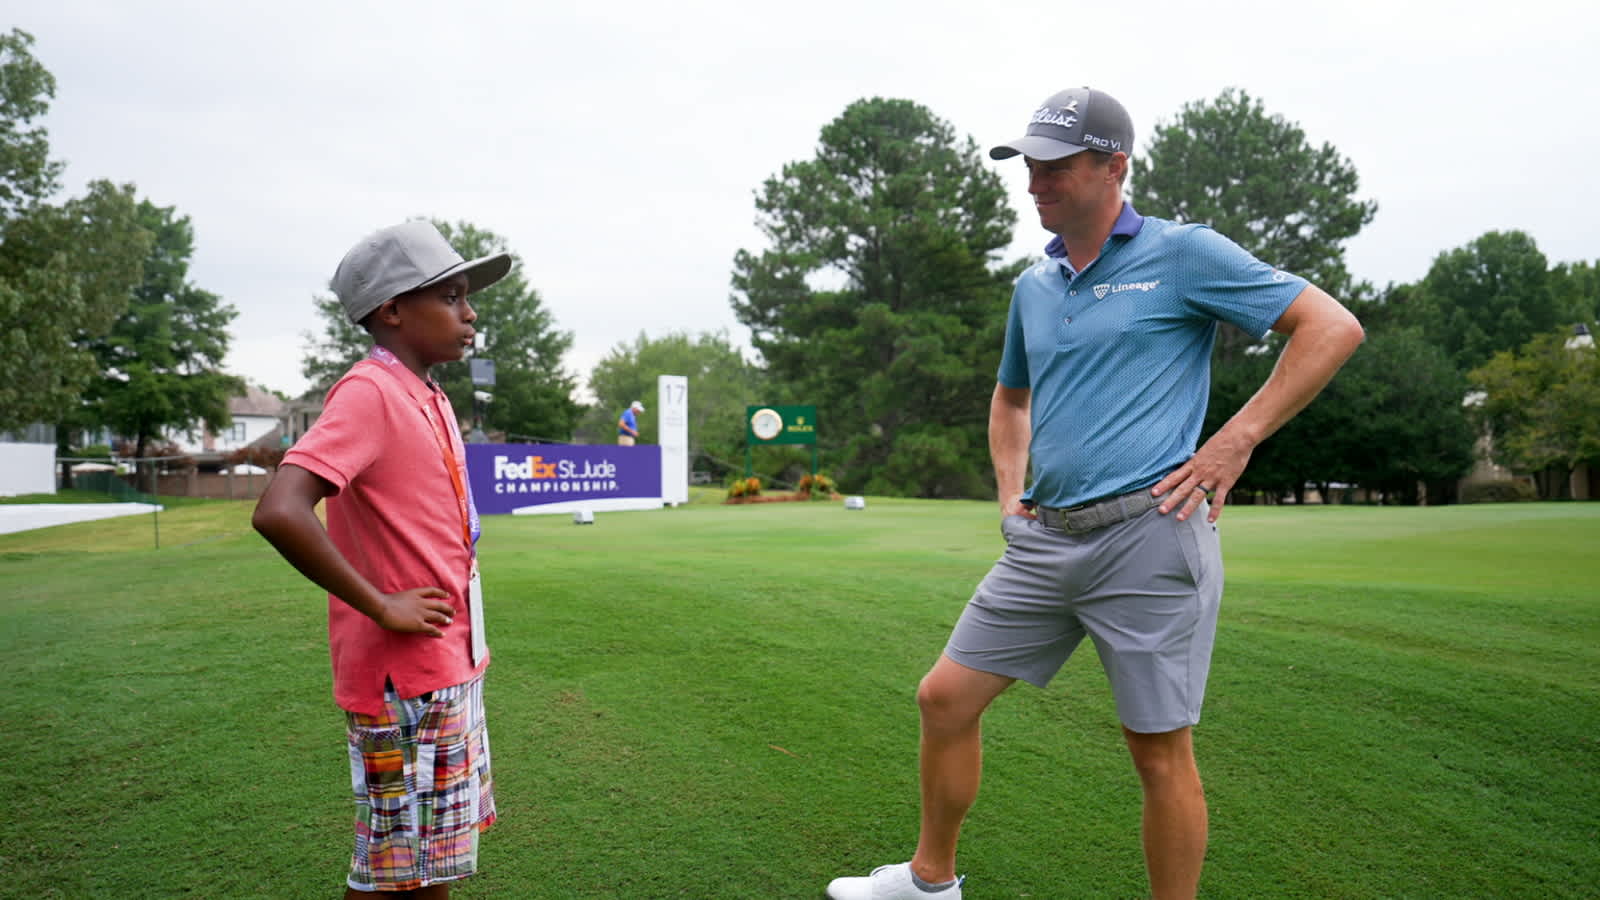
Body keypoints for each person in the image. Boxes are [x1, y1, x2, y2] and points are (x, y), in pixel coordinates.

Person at [826, 87, 1364, 900]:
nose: (1035, 183)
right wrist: (1011, 496)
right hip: (1045, 540)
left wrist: (1234, 439)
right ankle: (930, 882)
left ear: (1114, 166)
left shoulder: (1184, 253)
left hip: (1150, 535)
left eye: (1056, 167)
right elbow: (1011, 400)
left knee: (1157, 749)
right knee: (944, 698)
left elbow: (1330, 326)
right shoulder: (1033, 287)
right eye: (1029, 167)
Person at [252, 220, 511, 898]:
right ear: (393, 310)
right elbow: (280, 509)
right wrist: (381, 602)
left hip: (447, 660)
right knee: (398, 873)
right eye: (451, 296)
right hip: (407, 678)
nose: (470, 312)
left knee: (427, 863)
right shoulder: (370, 392)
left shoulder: (427, 392)